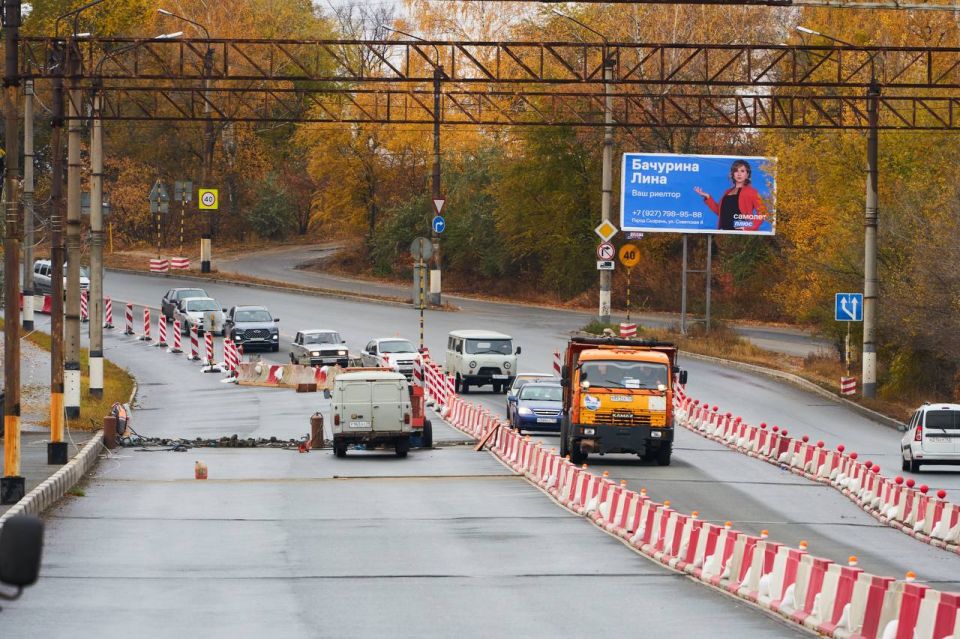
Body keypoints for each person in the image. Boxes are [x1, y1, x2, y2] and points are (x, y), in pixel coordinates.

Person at [693, 159, 769, 232]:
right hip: (724, 232)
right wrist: (707, 197)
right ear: (733, 174)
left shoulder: (752, 192)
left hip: (739, 234)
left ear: (747, 174)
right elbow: (720, 212)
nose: (739, 174)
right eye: (736, 171)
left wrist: (749, 227)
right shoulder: (727, 192)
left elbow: (763, 212)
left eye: (742, 171)